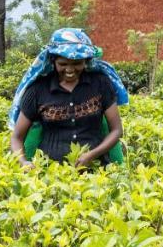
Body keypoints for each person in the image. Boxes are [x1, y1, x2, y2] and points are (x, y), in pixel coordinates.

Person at [8, 28, 128, 168]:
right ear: (53, 61)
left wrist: (92, 155)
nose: (70, 70)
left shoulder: (100, 84)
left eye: (77, 63)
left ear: (86, 61)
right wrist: (23, 162)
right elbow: (17, 137)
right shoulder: (37, 90)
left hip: (97, 169)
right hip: (51, 172)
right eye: (63, 64)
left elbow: (116, 130)